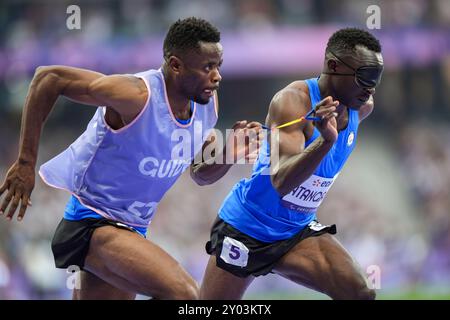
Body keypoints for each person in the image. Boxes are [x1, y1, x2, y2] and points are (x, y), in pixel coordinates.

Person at [0, 17, 261, 300]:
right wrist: (25, 162)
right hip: (91, 223)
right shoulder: (136, 95)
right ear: (175, 65)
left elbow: (200, 174)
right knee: (185, 293)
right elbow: (48, 78)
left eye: (218, 66)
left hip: (132, 230)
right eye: (207, 67)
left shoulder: (206, 103)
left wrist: (227, 155)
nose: (217, 76)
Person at [200, 28, 384, 300]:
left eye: (377, 77)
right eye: (365, 75)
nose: (371, 86)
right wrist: (325, 141)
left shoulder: (362, 106)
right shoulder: (292, 101)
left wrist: (329, 140)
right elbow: (281, 182)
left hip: (295, 231)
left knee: (359, 293)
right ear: (334, 66)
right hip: (246, 227)